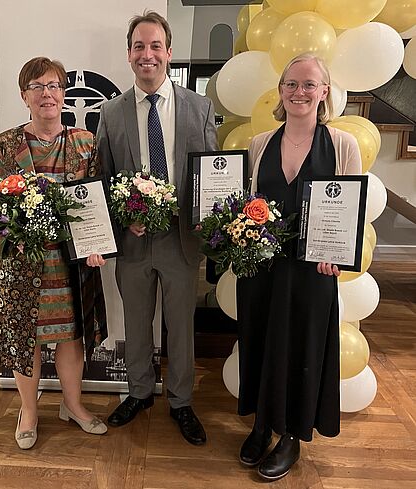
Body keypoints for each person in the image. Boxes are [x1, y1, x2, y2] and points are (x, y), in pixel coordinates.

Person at [91, 11, 218, 445]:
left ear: (168, 52)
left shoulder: (199, 107)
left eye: (155, 46)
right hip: (133, 240)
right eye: (139, 47)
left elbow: (212, 177)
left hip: (182, 240)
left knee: (180, 325)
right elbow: (104, 179)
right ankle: (139, 392)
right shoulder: (110, 113)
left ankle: (181, 402)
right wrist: (125, 217)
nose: (148, 55)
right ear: (129, 54)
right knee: (136, 321)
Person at [236, 53, 362, 480]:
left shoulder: (343, 146)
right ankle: (260, 424)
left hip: (313, 273)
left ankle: (290, 434)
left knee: (302, 348)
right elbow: (247, 206)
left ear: (325, 92)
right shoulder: (260, 144)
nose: (299, 92)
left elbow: (350, 213)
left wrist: (337, 254)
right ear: (281, 91)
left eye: (309, 84)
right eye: (291, 84)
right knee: (260, 341)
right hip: (263, 270)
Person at [0, 57, 107, 450]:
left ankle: (73, 405)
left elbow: (95, 202)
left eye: (53, 85)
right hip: (21, 261)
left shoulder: (85, 142)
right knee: (28, 338)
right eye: (36, 87)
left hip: (72, 262)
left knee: (72, 337)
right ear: (24, 96)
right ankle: (29, 410)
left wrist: (96, 245)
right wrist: (14, 229)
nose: (46, 94)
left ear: (64, 94)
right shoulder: (1, 146)